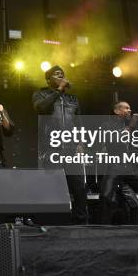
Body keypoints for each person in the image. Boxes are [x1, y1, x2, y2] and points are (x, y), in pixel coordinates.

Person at [32, 65, 89, 224]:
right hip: (52, 149)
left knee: (79, 188)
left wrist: (81, 142)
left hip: (71, 149)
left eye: (63, 75)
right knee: (52, 187)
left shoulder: (73, 99)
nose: (62, 77)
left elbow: (79, 123)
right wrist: (58, 91)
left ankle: (81, 224)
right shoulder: (41, 93)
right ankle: (52, 223)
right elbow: (41, 108)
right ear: (48, 79)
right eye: (57, 75)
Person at [99, 101, 138, 225]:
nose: (130, 110)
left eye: (130, 108)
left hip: (132, 167)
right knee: (105, 197)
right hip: (115, 166)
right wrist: (133, 124)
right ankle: (102, 228)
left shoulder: (135, 126)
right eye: (126, 108)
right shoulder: (107, 125)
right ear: (117, 111)